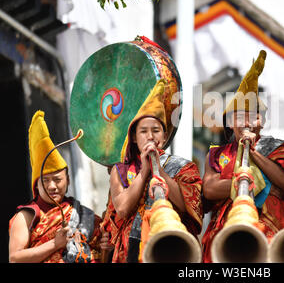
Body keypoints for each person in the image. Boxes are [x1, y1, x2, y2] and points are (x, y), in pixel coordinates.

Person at [201, 50, 284, 263]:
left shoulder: (279, 148)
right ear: (229, 123)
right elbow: (209, 189)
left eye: (254, 116)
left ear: (263, 122)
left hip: (271, 226)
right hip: (227, 228)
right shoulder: (217, 154)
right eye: (239, 116)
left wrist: (254, 154)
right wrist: (261, 183)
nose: (247, 122)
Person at [100, 79, 203, 262]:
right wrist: (144, 171)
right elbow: (122, 209)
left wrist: (160, 171)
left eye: (156, 130)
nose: (150, 136)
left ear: (164, 137)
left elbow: (186, 206)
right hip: (130, 251)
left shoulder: (183, 167)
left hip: (171, 248)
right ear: (133, 137)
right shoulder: (121, 169)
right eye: (143, 131)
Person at [8, 111, 103, 263]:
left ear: (68, 180)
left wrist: (107, 246)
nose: (52, 186)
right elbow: (15, 258)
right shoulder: (28, 215)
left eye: (57, 180)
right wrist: (55, 244)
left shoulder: (80, 213)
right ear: (37, 186)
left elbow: (102, 244)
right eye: (45, 181)